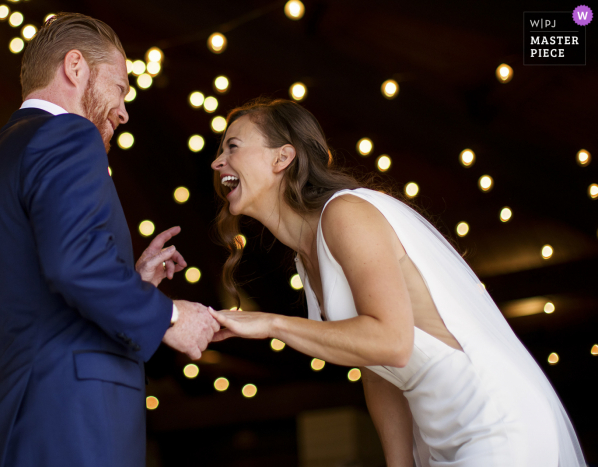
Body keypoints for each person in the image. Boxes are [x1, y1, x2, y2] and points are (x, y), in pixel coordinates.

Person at [209, 98, 586, 466]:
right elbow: (377, 366)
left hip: (496, 421)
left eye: (233, 146)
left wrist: (273, 324)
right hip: (439, 441)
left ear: (282, 158)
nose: (217, 161)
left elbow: (392, 342)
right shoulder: (305, 260)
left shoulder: (344, 215)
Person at [0, 13, 218, 467]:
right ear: (75, 67)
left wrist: (131, 281)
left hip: (13, 424)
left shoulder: (0, 158)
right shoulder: (69, 134)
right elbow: (73, 265)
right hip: (72, 422)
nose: (123, 110)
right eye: (119, 88)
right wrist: (171, 317)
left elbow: (42, 278)